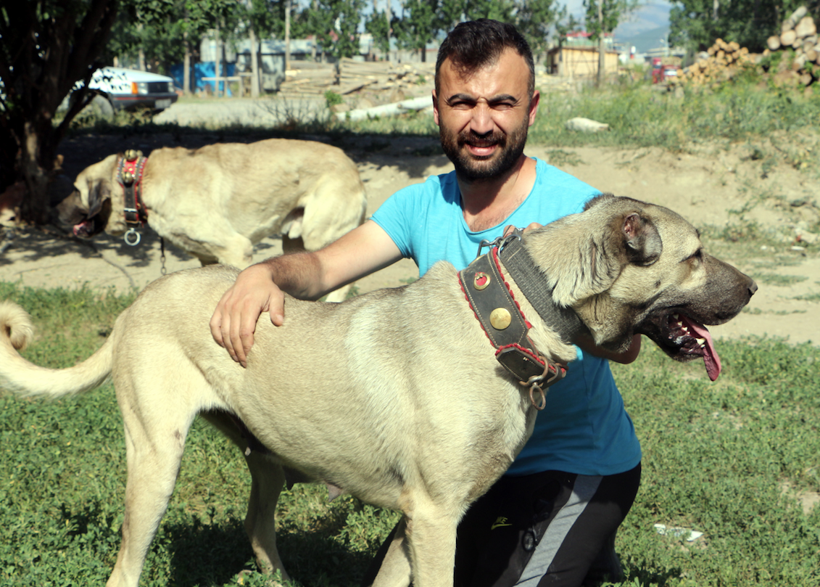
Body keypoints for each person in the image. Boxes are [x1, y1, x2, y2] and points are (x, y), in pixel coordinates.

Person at [210, 19, 642, 587]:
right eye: (462, 102)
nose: (481, 123)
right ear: (436, 109)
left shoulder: (577, 214)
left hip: (573, 463)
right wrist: (264, 272)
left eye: (501, 103)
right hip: (463, 457)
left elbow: (627, 346)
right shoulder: (421, 204)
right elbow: (323, 267)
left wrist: (548, 293)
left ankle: (582, 538)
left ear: (531, 108)